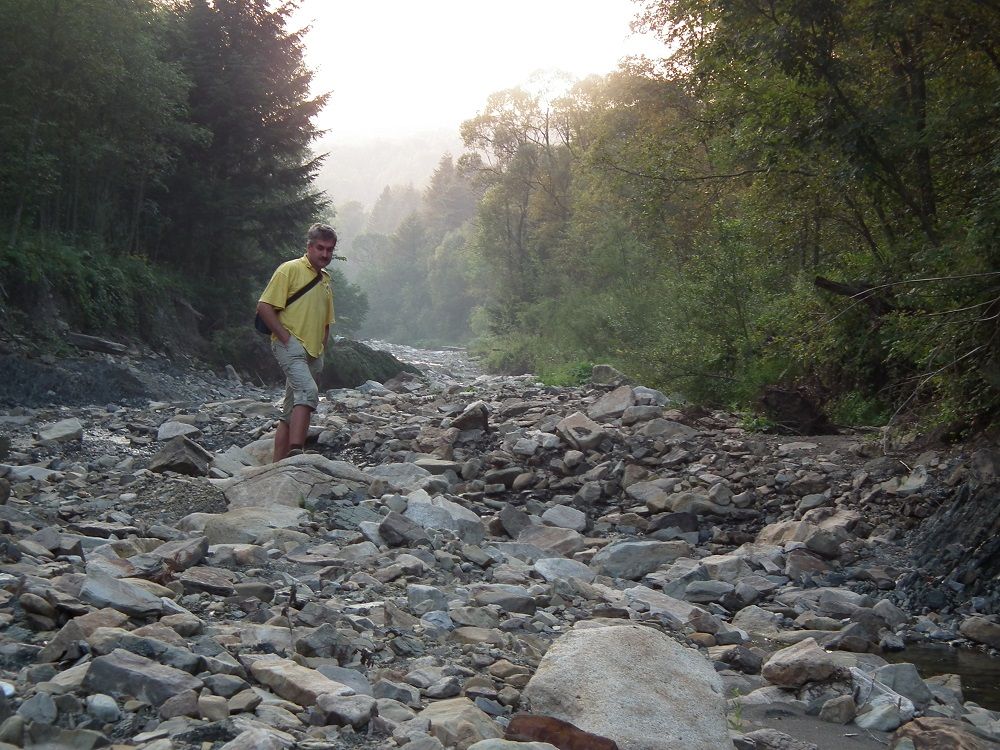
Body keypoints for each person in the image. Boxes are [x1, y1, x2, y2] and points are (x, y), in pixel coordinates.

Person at [256, 223, 337, 462]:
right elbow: (264, 306)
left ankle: (278, 465)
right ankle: (296, 453)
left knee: (289, 412)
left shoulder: (325, 279)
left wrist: (322, 349)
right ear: (309, 247)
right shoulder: (289, 269)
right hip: (290, 346)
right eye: (320, 248)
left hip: (313, 352)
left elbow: (326, 320)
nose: (325, 254)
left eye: (329, 250)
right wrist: (285, 338)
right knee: (308, 392)